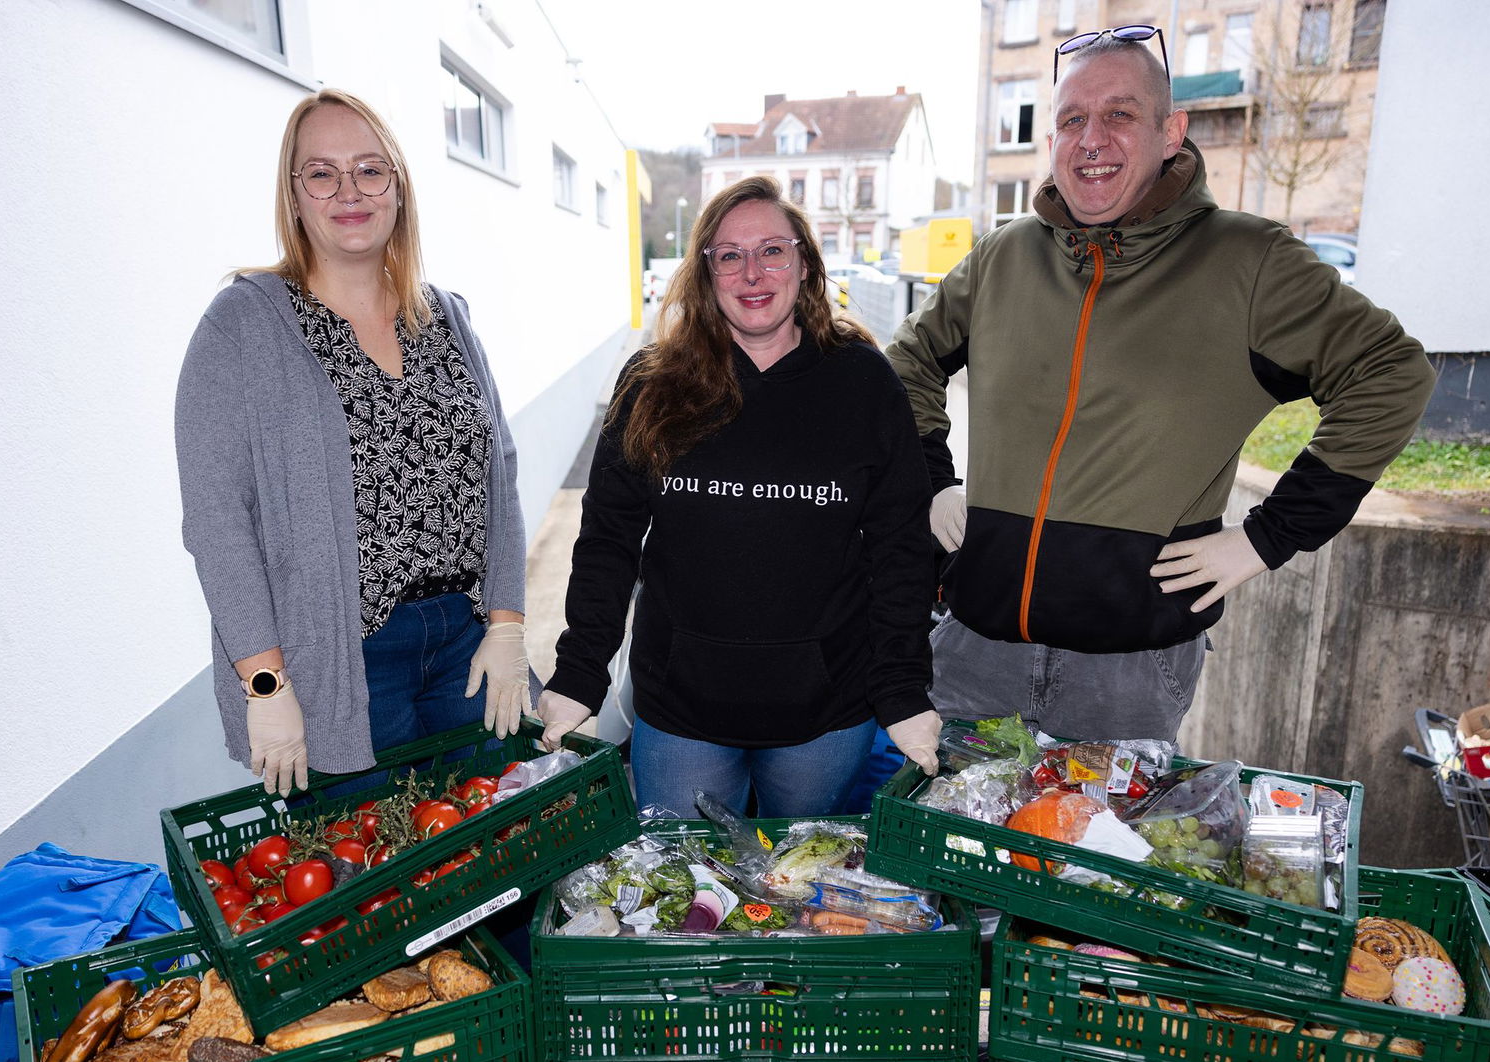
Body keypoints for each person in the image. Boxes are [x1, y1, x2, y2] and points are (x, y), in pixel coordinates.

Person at [886, 27, 1434, 744]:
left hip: (1129, 674)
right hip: (977, 651)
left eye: (1119, 114)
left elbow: (1390, 373)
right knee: (954, 853)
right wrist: (932, 480)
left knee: (1098, 855)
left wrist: (1266, 538)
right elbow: (906, 364)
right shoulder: (1003, 257)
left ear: (1171, 131)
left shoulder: (1249, 262)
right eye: (1071, 119)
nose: (1091, 138)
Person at [537, 176, 941, 817]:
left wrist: (902, 688)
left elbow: (901, 549)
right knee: (679, 900)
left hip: (825, 717)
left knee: (796, 900)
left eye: (772, 251)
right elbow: (608, 539)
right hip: (680, 714)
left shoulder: (862, 383)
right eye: (729, 255)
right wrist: (581, 669)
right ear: (705, 271)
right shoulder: (654, 384)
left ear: (803, 262)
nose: (752, 272)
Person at [177, 89, 531, 794]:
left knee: (505, 862)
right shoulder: (242, 328)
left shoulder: (447, 319)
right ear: (294, 193)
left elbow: (501, 480)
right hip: (341, 664)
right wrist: (266, 683)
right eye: (322, 172)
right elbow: (218, 524)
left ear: (398, 188)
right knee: (378, 881)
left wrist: (508, 624)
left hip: (466, 643)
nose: (349, 190)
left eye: (370, 170)